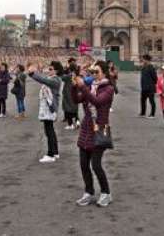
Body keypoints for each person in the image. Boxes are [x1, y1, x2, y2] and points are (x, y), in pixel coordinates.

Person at [72, 60, 115, 207]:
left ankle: (106, 193)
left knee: (95, 164)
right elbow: (76, 100)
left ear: (104, 72)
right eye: (92, 72)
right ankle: (88, 192)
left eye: (97, 72)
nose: (94, 74)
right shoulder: (90, 86)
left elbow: (96, 102)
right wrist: (74, 87)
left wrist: (83, 86)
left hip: (100, 127)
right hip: (86, 127)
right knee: (83, 164)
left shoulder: (108, 89)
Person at [28, 61, 63, 163]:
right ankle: (55, 152)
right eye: (49, 68)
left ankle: (50, 154)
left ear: (56, 70)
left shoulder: (56, 80)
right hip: (47, 109)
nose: (49, 70)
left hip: (50, 109)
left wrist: (32, 74)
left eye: (51, 69)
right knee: (50, 131)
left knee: (49, 132)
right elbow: (44, 80)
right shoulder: (52, 79)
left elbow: (42, 80)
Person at [139, 54, 158, 118]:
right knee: (142, 100)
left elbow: (155, 78)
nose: (142, 60)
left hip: (150, 87)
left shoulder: (151, 67)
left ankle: (152, 114)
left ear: (147, 60)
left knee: (151, 101)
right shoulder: (143, 67)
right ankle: (143, 113)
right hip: (144, 87)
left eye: (143, 59)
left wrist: (151, 84)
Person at [61, 65, 79, 129]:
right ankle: (77, 121)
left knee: (68, 110)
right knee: (75, 109)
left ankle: (70, 124)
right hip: (75, 94)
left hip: (68, 95)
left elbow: (61, 77)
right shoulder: (76, 75)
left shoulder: (69, 76)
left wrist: (63, 70)